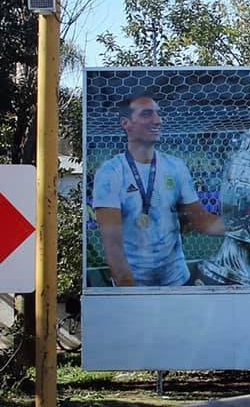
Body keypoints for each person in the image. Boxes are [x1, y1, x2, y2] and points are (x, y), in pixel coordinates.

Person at [93, 92, 225, 286]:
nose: (157, 120)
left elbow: (202, 222)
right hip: (135, 286)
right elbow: (114, 249)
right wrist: (132, 297)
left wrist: (245, 227)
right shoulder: (110, 172)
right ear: (126, 124)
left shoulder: (176, 166)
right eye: (147, 114)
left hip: (177, 281)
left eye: (158, 114)